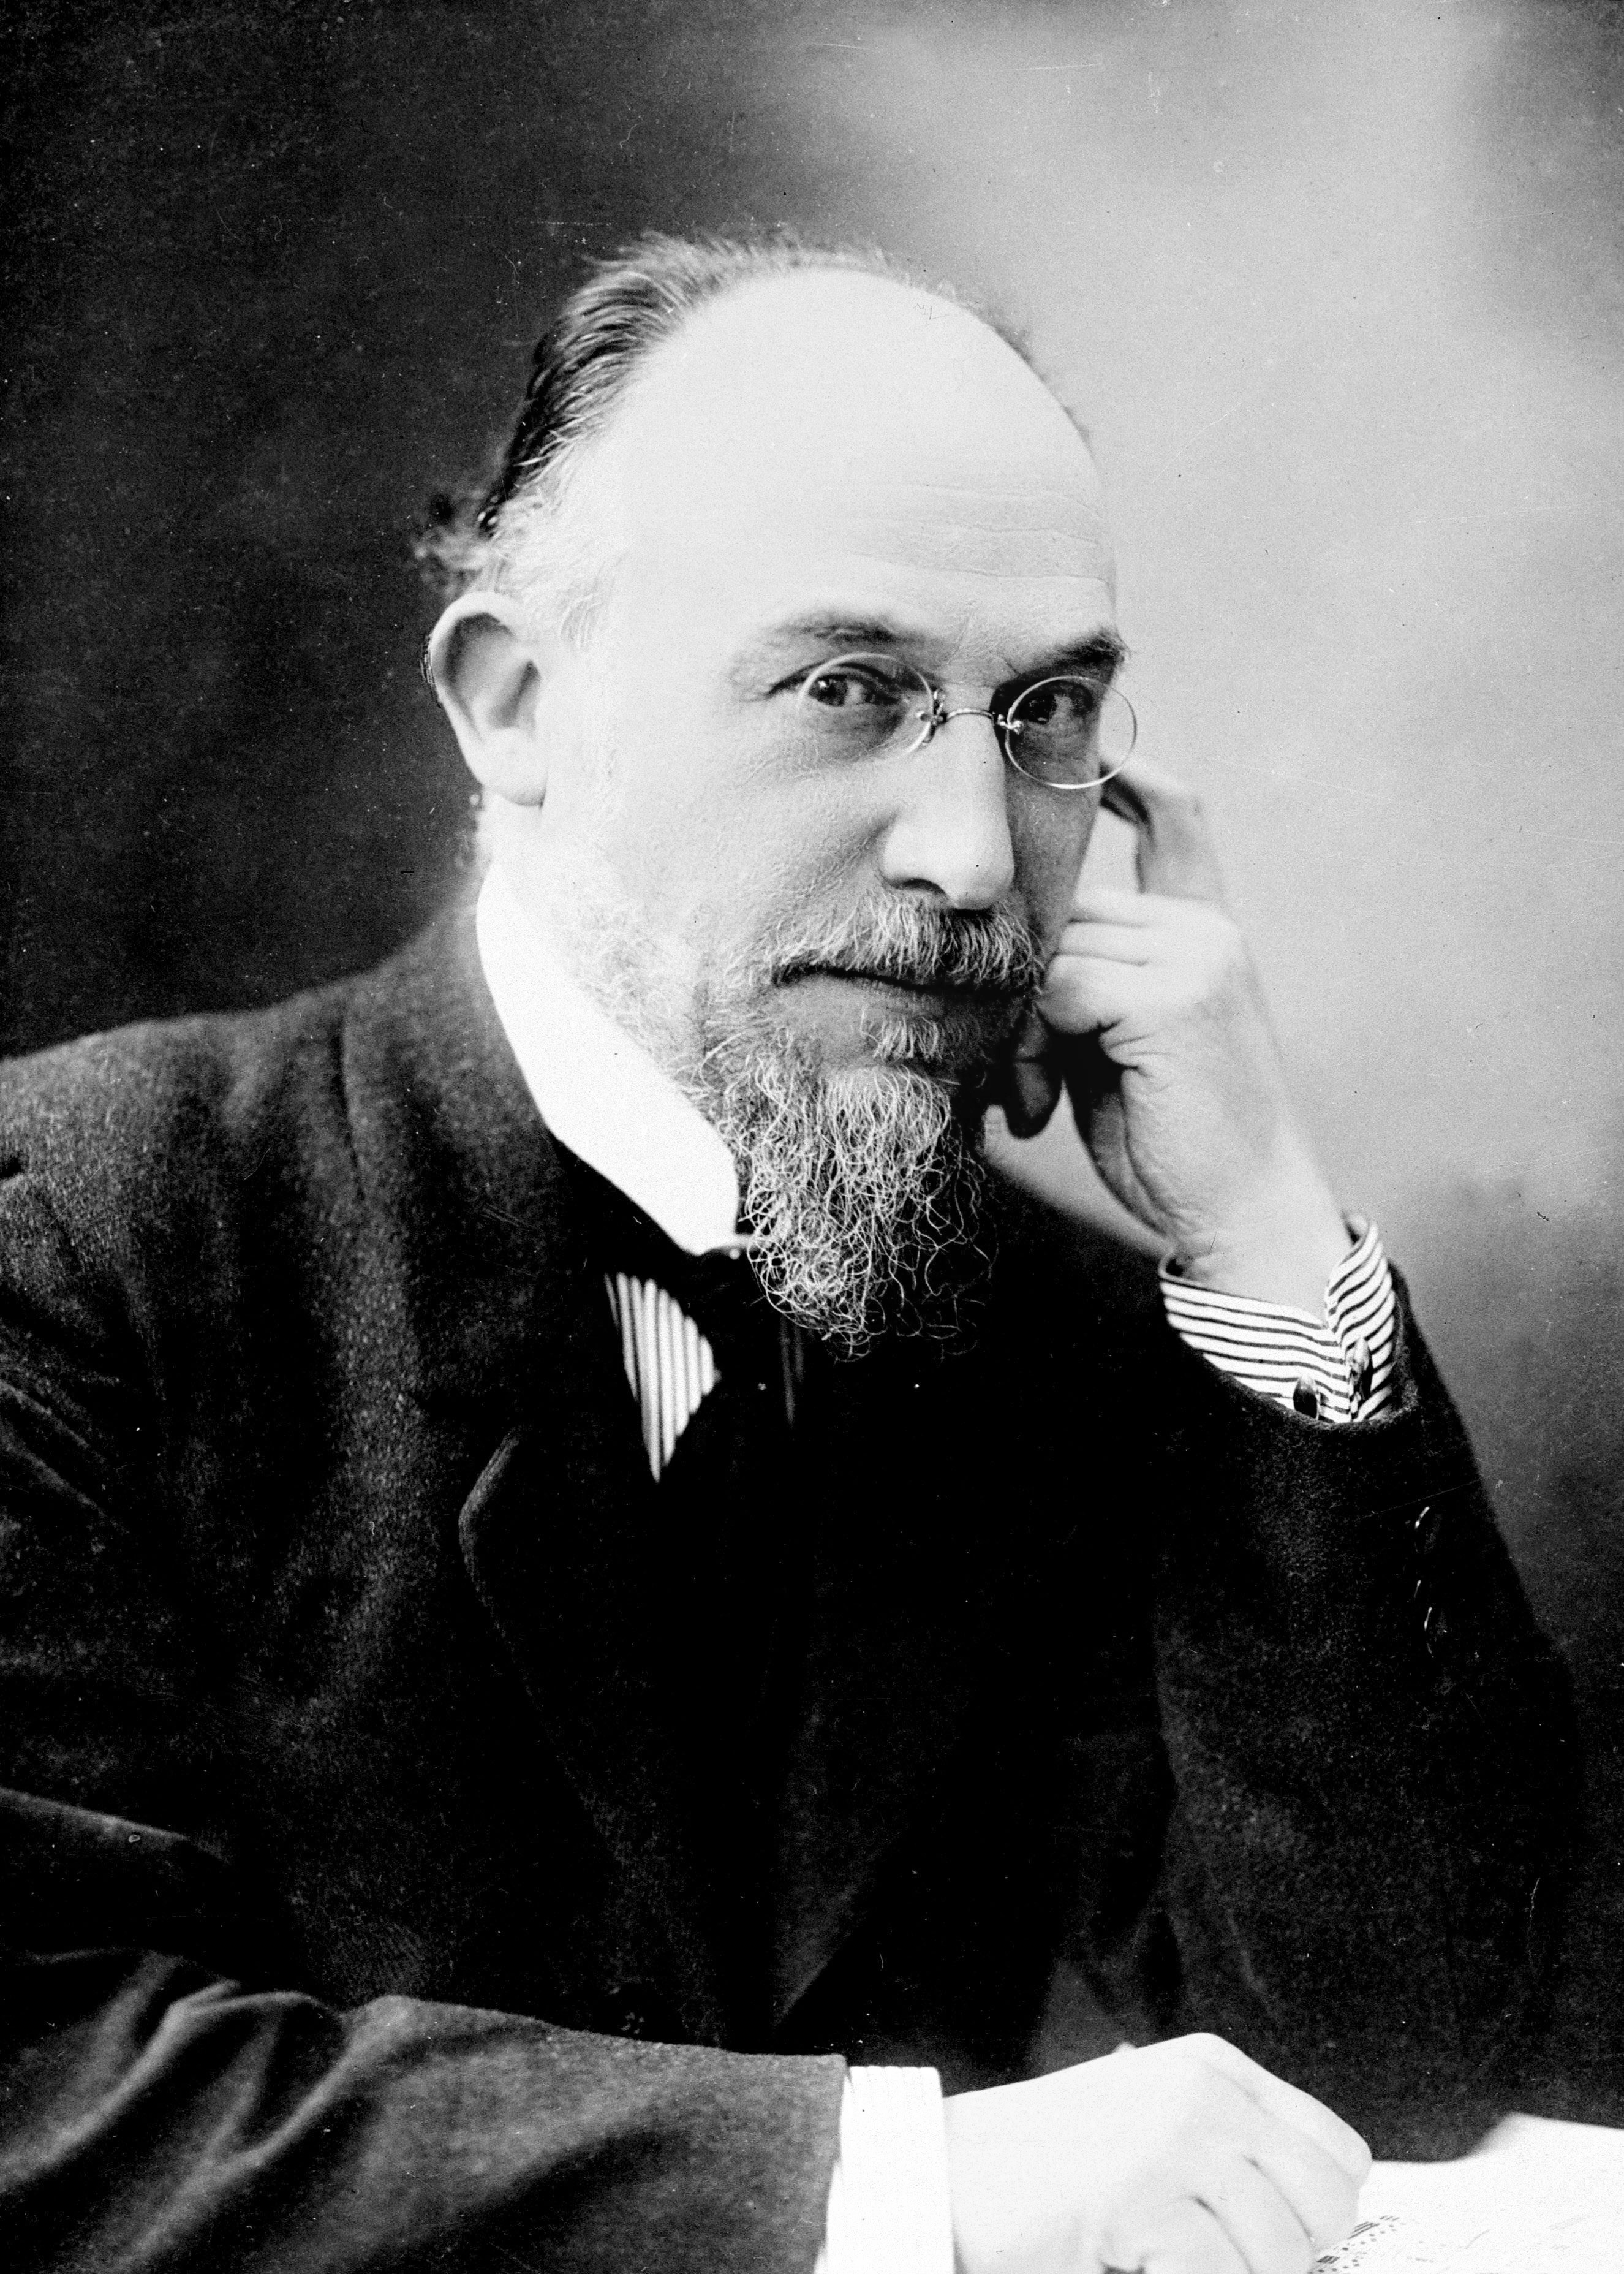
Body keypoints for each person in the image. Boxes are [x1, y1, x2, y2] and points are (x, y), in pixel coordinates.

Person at [0, 233, 1574, 2274]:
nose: (971, 853)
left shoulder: (1077, 1338)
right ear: (516, 704)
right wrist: (892, 2192)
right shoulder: (84, 1237)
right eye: (849, 692)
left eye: (1046, 713)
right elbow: (42, 2087)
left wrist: (1266, 1240)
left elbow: (1399, 2063)